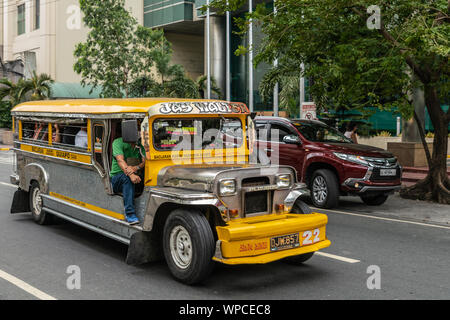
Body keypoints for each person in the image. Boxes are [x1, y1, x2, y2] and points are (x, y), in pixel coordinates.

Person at [110, 122, 147, 225]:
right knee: (126, 179)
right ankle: (130, 214)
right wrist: (130, 174)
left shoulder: (140, 144)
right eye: (138, 129)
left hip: (136, 175)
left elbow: (144, 161)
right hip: (117, 177)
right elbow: (120, 160)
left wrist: (135, 168)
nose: (140, 131)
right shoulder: (118, 142)